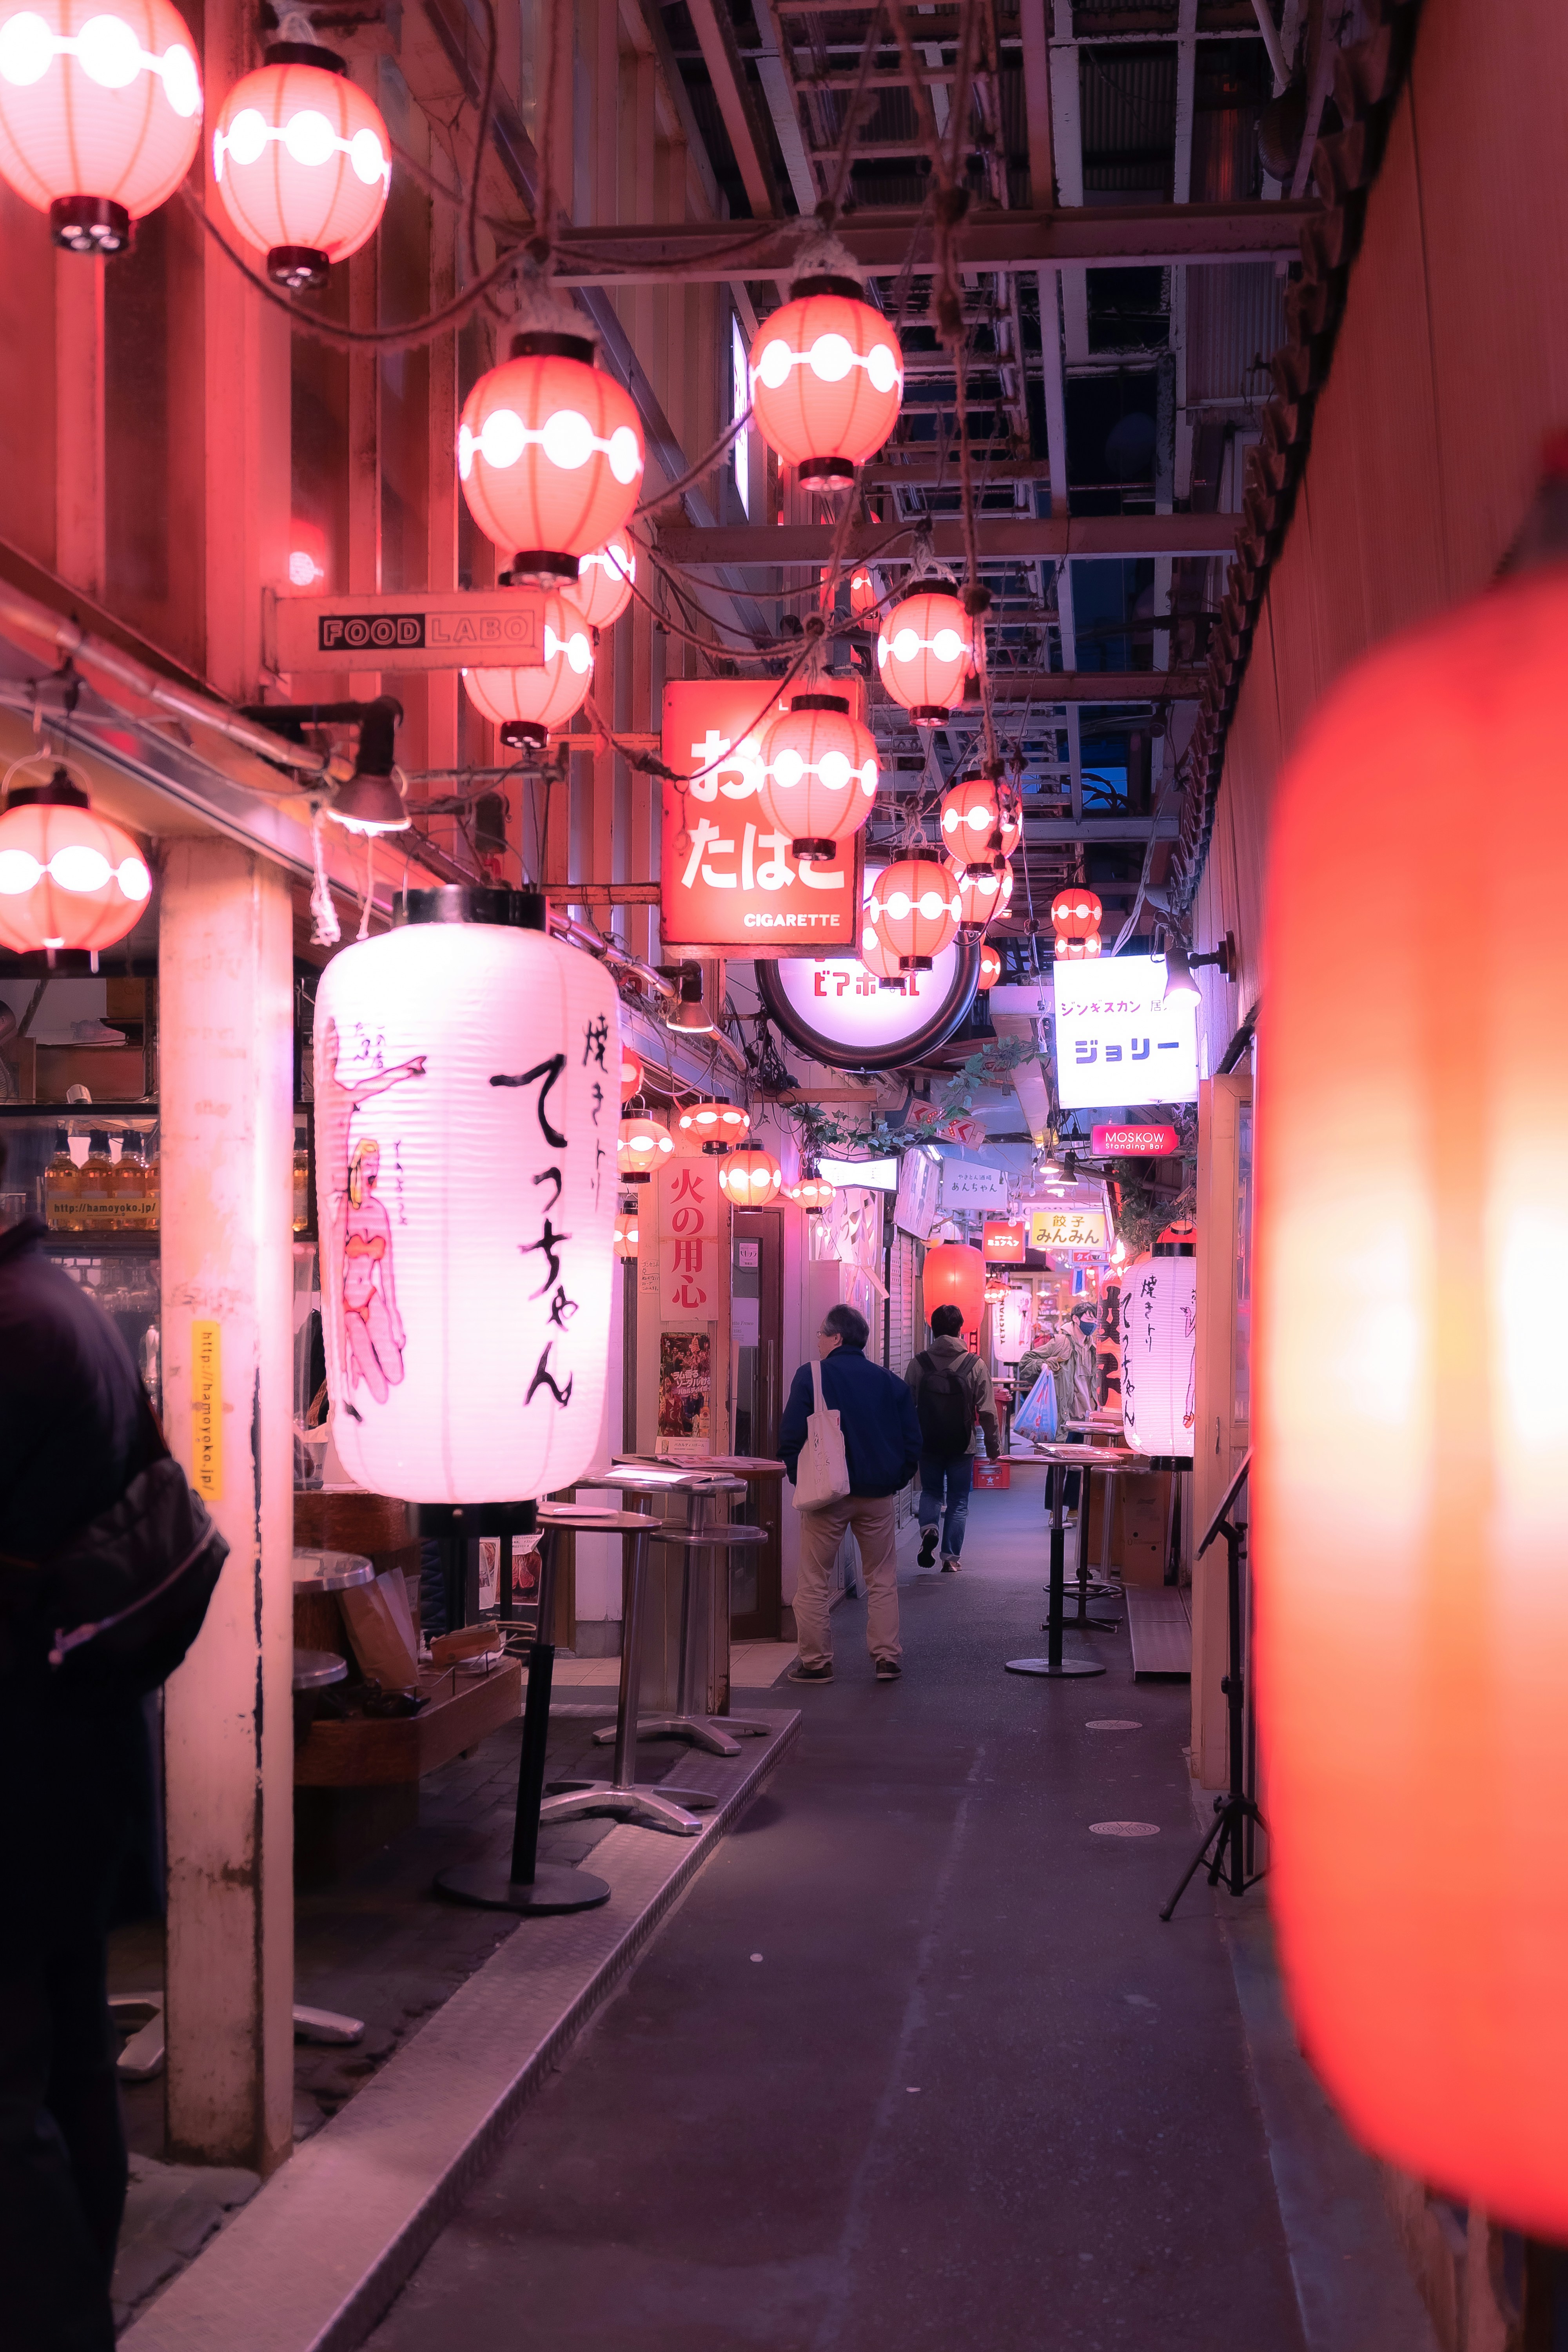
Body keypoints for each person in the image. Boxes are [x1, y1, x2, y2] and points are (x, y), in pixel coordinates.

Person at [0, 1139, 166, 2350]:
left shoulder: (17, 1329)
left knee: (13, 2099)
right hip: (74, 1754)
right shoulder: (59, 1305)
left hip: (22, 1762)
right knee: (68, 2062)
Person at [778, 1302, 922, 1684]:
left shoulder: (812, 1377)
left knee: (813, 1579)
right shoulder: (890, 1382)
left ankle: (816, 1663)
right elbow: (912, 1442)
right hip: (877, 1496)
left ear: (836, 1337)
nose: (818, 1341)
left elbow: (791, 1436)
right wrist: (895, 1480)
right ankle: (887, 1659)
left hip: (827, 1497)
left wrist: (803, 1479)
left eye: (822, 1335)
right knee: (882, 1577)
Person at [905, 1305, 1001, 1572]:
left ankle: (929, 1529)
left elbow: (905, 1404)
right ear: (960, 1329)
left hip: (928, 1443)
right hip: (963, 1445)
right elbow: (988, 1412)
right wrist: (993, 1448)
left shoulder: (919, 1363)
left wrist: (908, 1442)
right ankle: (950, 1560)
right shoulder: (975, 1364)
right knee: (959, 1501)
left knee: (932, 1492)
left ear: (933, 1329)